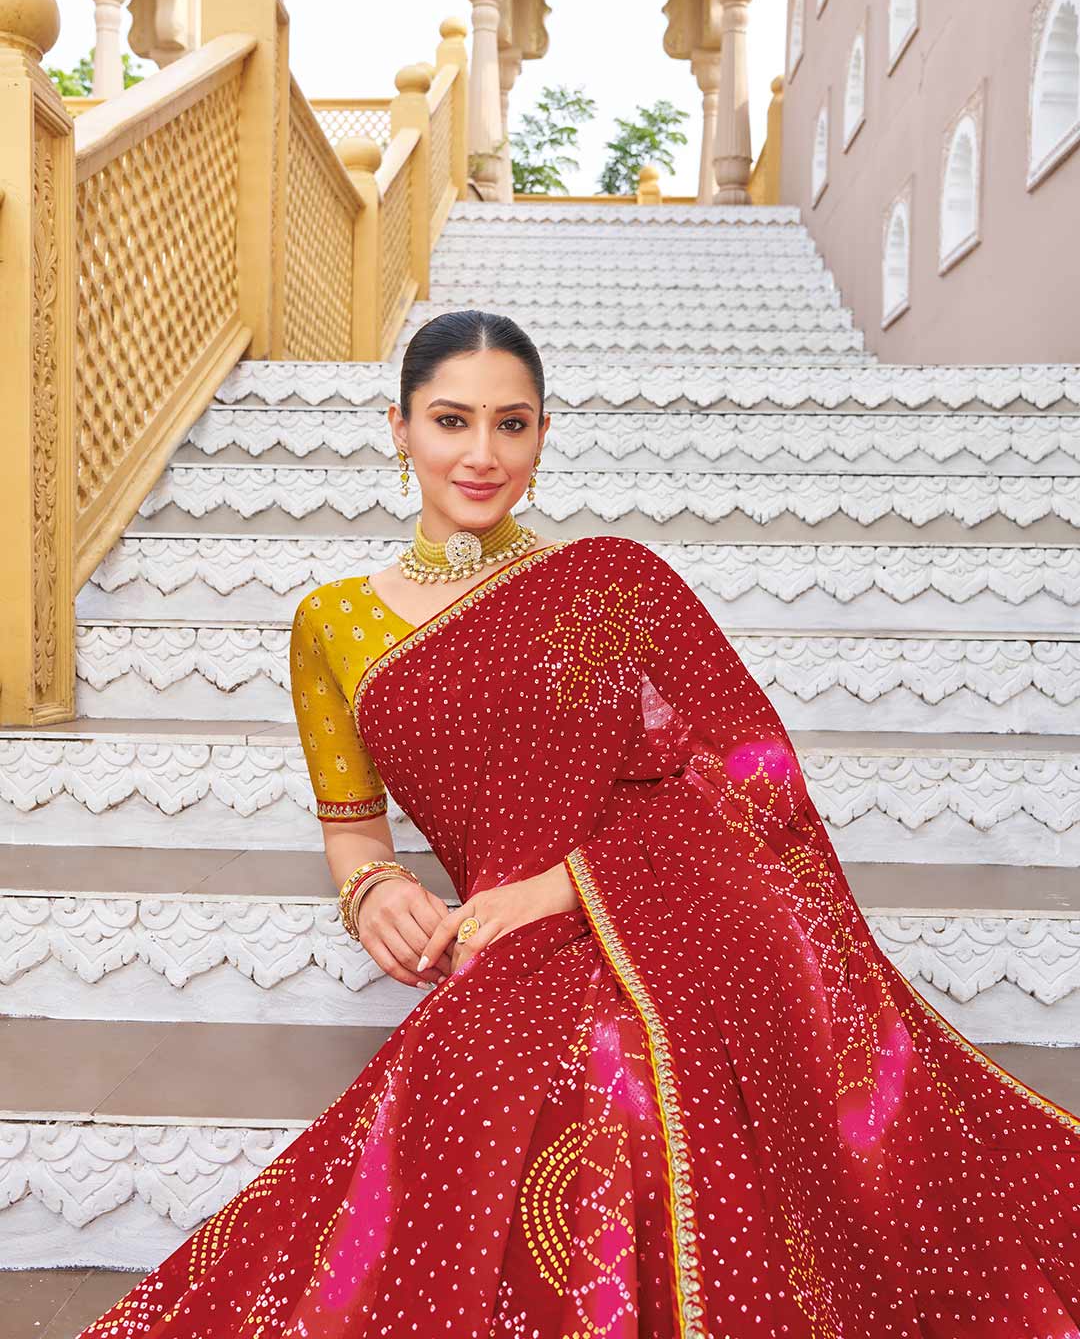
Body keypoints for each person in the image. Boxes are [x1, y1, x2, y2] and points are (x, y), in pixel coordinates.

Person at [79, 310, 1080, 1338]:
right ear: (399, 428)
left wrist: (563, 885)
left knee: (616, 1067)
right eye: (450, 421)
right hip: (506, 942)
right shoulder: (332, 625)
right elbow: (353, 827)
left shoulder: (612, 581)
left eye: (511, 425)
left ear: (543, 437)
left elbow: (750, 771)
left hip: (667, 910)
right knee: (482, 1071)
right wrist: (373, 888)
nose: (481, 455)